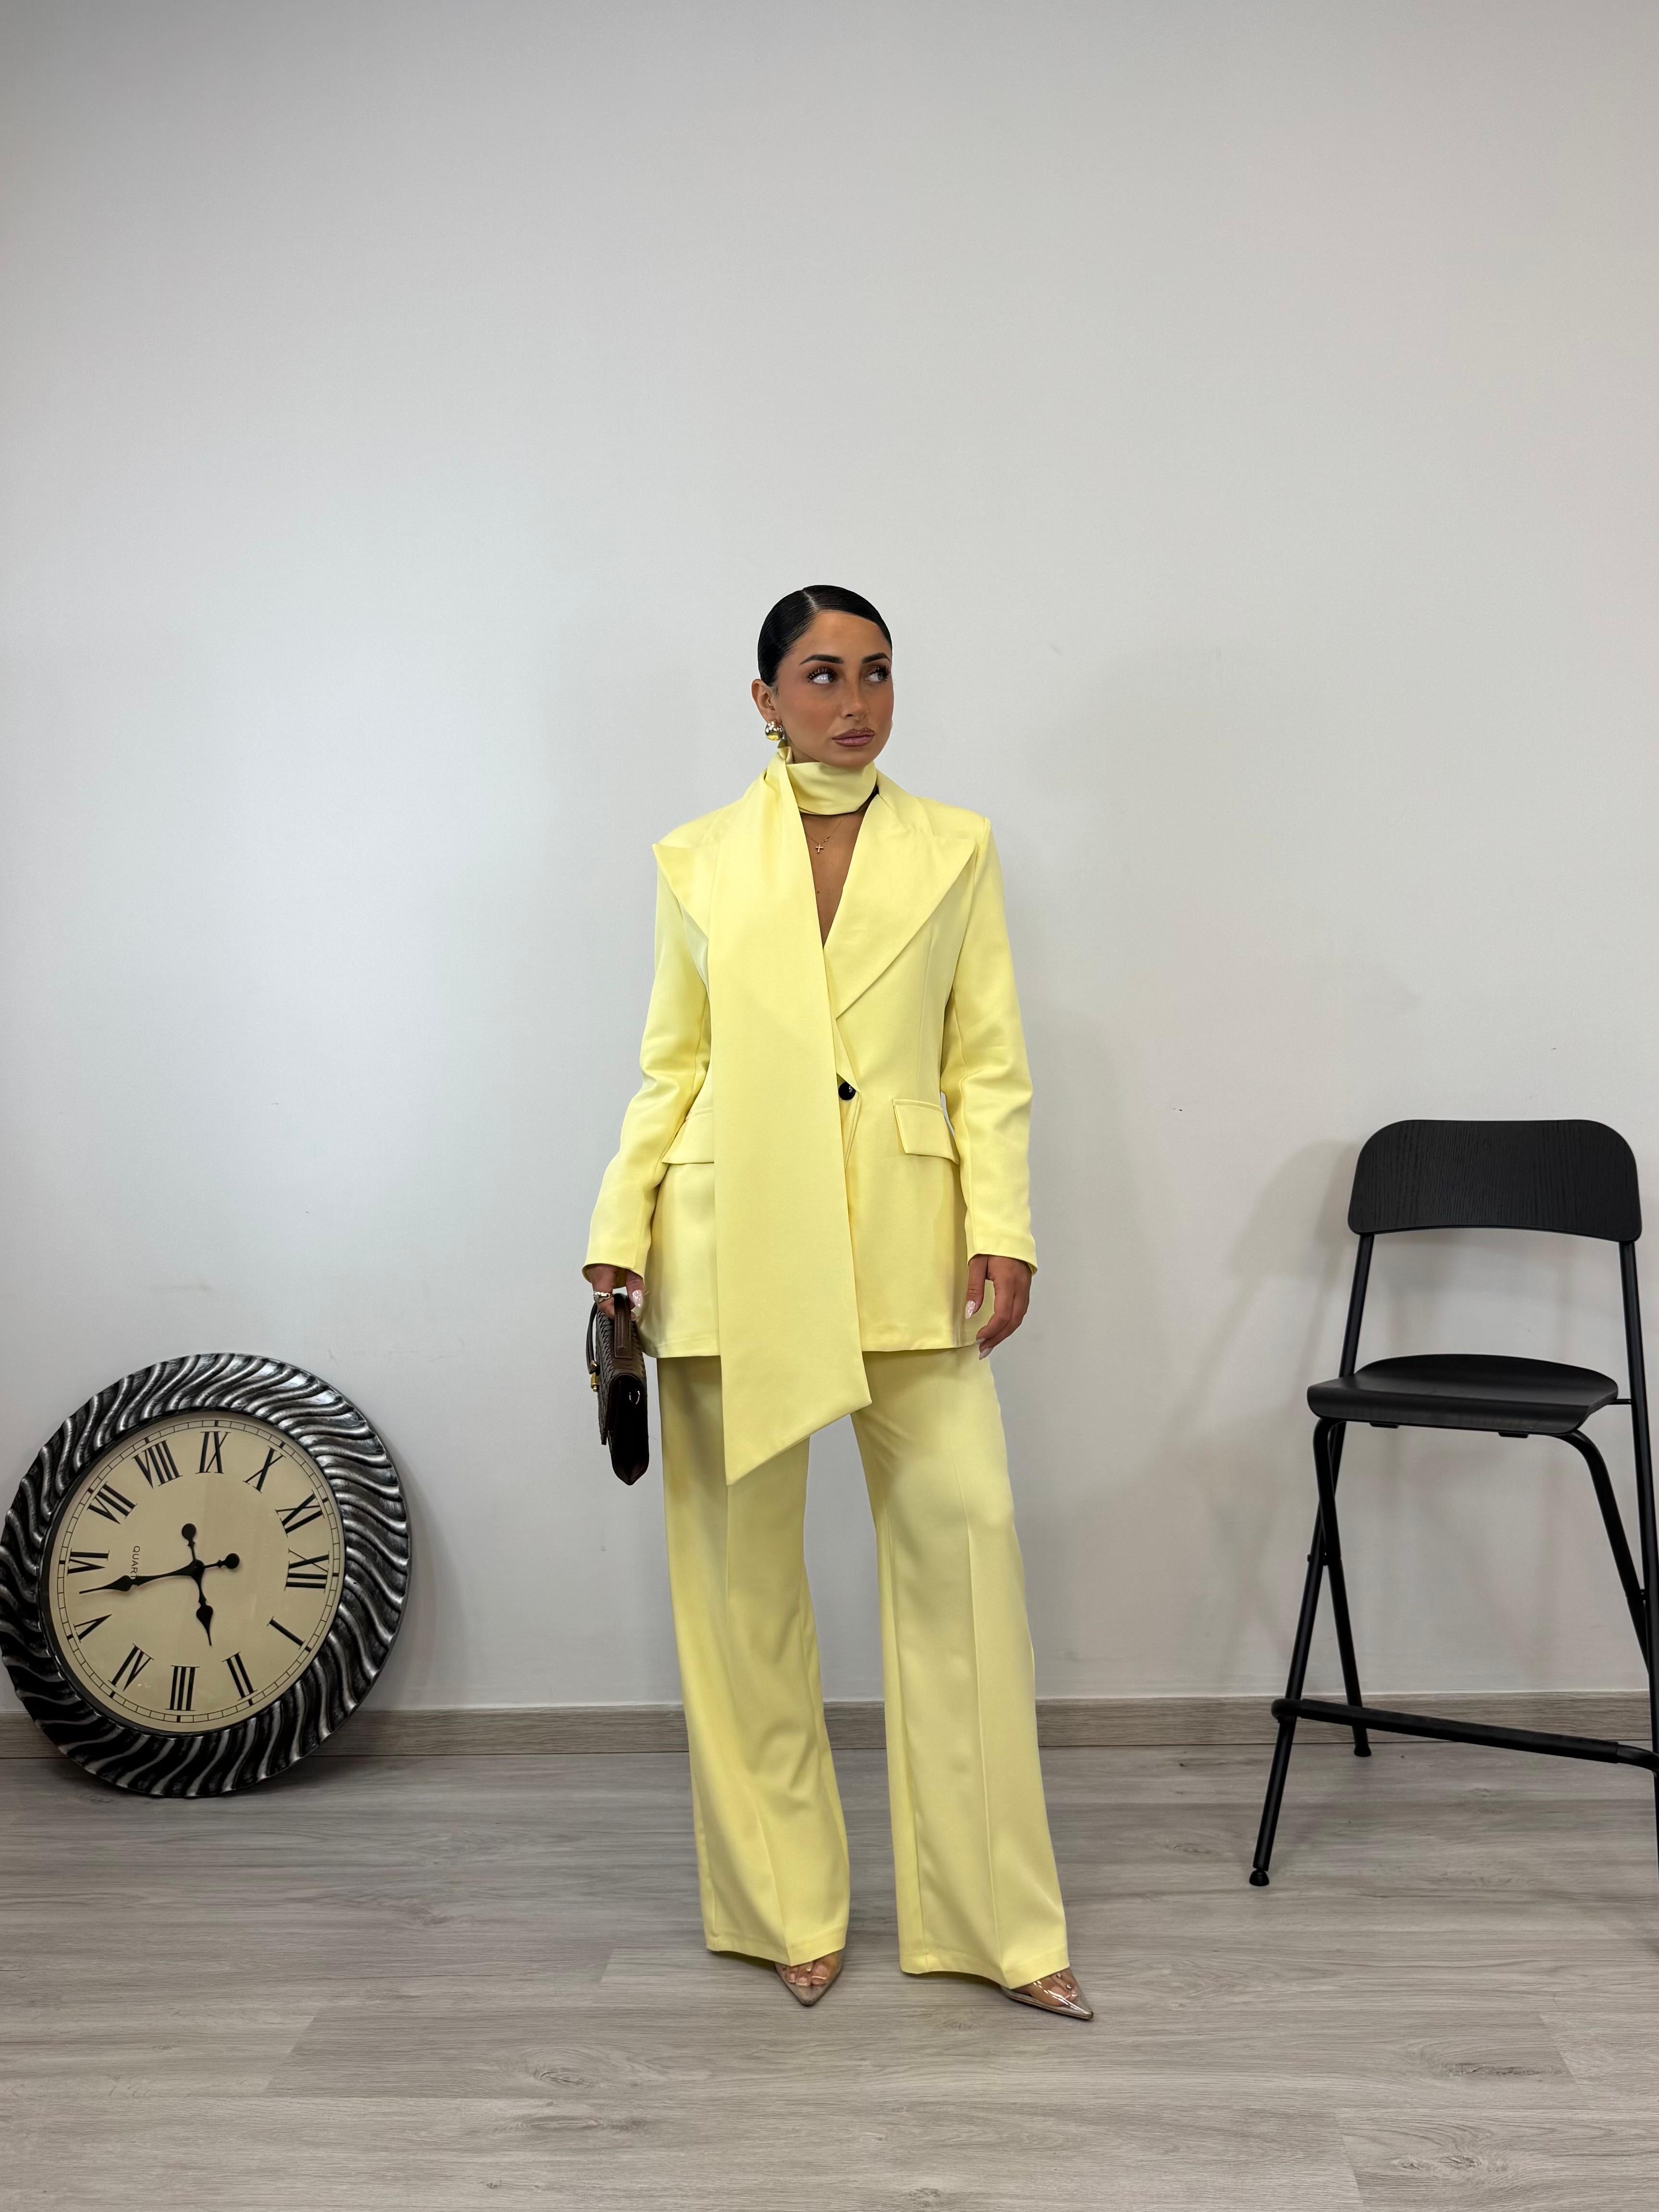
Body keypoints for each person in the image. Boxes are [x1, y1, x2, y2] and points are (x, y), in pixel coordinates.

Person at [584, 585, 1088, 2019]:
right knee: (738, 1593)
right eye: (820, 675)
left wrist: (1005, 1228)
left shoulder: (957, 847)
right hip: (728, 1240)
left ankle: (999, 1926)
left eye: (875, 673)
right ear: (765, 698)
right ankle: (780, 1907)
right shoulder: (695, 858)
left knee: (966, 1557)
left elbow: (986, 1060)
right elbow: (670, 1066)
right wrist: (616, 1230)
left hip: (908, 1245)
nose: (854, 702)